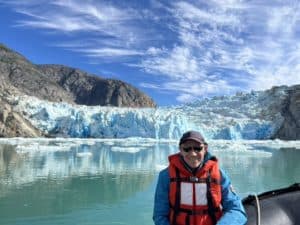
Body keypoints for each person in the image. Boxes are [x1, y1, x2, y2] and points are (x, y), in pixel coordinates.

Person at [153, 130, 247, 225]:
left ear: (205, 149)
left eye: (198, 148)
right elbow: (160, 215)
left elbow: (236, 209)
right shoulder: (166, 176)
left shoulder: (219, 175)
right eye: (187, 149)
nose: (193, 153)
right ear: (180, 150)